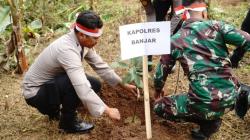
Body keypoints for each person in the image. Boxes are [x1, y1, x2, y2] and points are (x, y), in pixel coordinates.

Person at [22, 10, 137, 133]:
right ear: (82, 35)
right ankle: (68, 122)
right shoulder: (67, 50)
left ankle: (65, 106)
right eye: (95, 38)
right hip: (36, 94)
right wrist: (107, 110)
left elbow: (100, 66)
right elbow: (81, 85)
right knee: (74, 83)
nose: (97, 42)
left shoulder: (81, 41)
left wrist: (123, 84)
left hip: (50, 87)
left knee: (95, 84)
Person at [153, 0, 250, 139]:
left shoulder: (175, 40)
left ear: (183, 16)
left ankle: (208, 120)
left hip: (201, 102)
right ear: (204, 12)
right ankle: (215, 118)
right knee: (227, 87)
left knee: (159, 107)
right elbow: (247, 39)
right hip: (230, 99)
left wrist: (157, 90)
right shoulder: (217, 26)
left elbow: (160, 74)